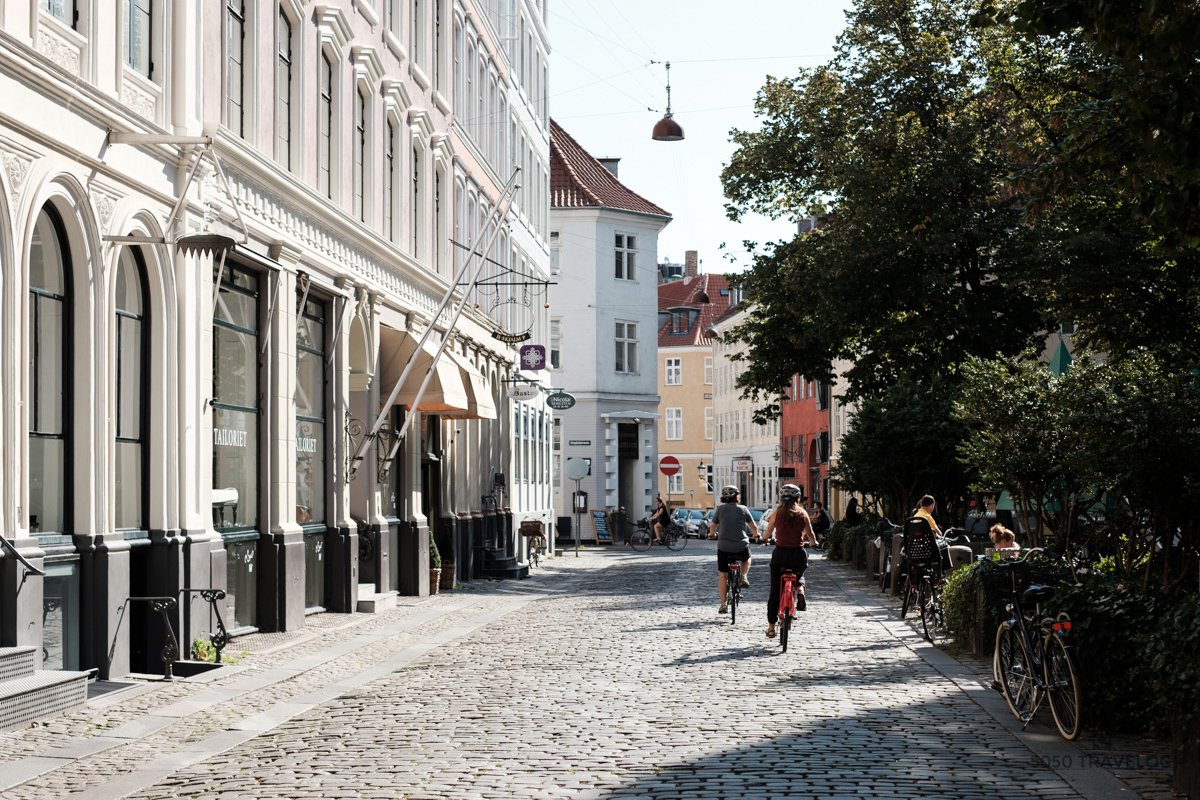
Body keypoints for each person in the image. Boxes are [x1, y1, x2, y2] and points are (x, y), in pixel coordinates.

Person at [763, 484, 820, 639]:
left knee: (775, 592)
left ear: (781, 498)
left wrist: (764, 539)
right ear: (798, 498)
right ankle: (800, 589)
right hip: (797, 554)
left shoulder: (776, 513)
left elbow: (768, 532)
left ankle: (771, 628)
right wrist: (814, 543)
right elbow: (810, 533)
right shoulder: (802, 513)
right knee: (799, 571)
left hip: (780, 554)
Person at [707, 485, 756, 614]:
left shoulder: (720, 509)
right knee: (747, 558)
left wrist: (712, 534)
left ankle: (723, 604)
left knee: (723, 576)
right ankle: (743, 575)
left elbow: (712, 525)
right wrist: (757, 535)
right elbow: (753, 526)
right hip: (741, 546)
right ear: (736, 497)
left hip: (724, 547)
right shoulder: (743, 509)